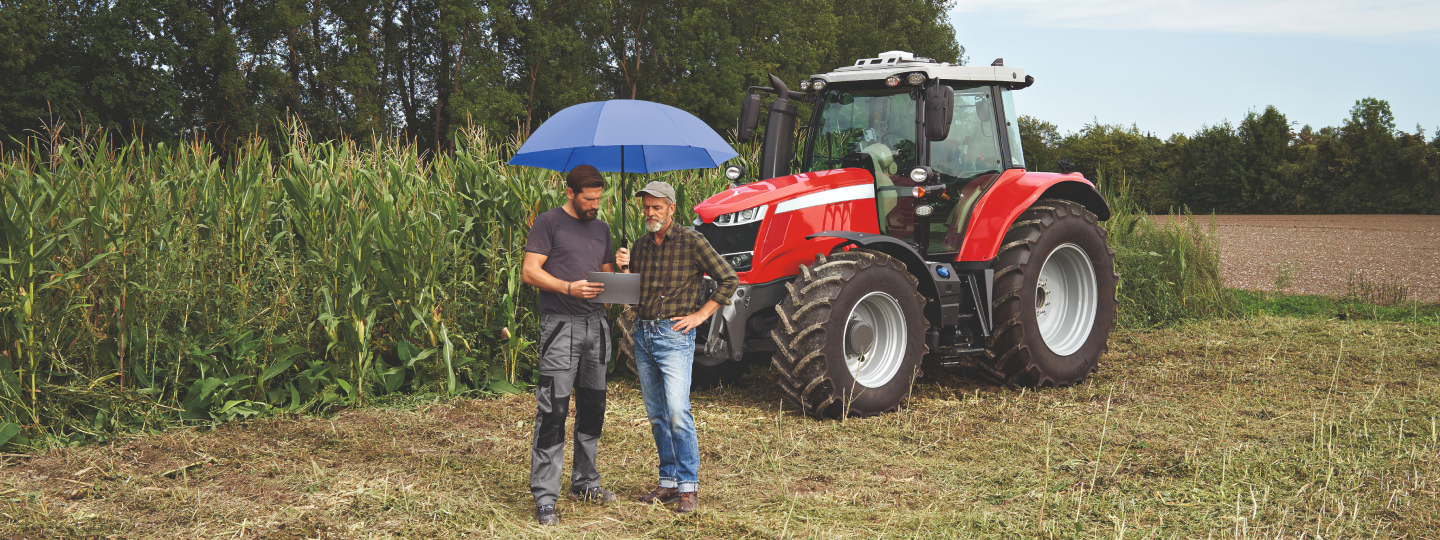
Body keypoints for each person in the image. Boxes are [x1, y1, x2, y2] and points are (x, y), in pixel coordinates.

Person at [614, 180, 738, 514]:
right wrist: (623, 269)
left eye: (656, 207)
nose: (650, 213)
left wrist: (700, 315)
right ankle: (667, 482)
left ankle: (688, 487)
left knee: (678, 412)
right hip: (643, 335)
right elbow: (630, 298)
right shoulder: (640, 246)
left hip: (674, 336)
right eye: (646, 208)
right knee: (657, 415)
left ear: (671, 207)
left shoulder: (692, 241)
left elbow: (729, 279)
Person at [521, 164, 620, 526]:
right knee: (553, 410)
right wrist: (567, 287)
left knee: (593, 408)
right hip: (560, 326)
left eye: (598, 199)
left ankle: (585, 483)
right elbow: (529, 271)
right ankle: (546, 497)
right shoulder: (548, 222)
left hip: (597, 326)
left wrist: (622, 268)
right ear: (570, 193)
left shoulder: (602, 229)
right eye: (588, 199)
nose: (595, 205)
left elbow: (609, 284)